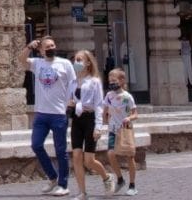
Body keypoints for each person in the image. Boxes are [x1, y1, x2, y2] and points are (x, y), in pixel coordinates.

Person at [19, 35, 75, 196]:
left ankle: (63, 185)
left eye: (52, 45)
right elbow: (21, 60)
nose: (51, 48)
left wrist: (71, 101)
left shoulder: (65, 64)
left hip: (58, 114)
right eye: (47, 46)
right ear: (41, 50)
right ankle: (52, 177)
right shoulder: (37, 63)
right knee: (36, 145)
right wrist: (29, 47)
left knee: (60, 150)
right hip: (41, 113)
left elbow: (73, 83)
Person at [68, 50, 113, 200]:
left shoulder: (94, 81)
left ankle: (106, 177)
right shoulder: (72, 82)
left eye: (80, 60)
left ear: (88, 63)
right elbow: (69, 100)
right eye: (75, 60)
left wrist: (98, 127)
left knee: (89, 160)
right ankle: (82, 192)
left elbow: (99, 105)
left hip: (90, 119)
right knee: (76, 156)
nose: (77, 63)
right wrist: (70, 104)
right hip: (77, 119)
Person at [102, 67, 138, 196]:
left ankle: (132, 184)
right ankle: (120, 179)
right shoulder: (109, 95)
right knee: (111, 154)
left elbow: (135, 114)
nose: (111, 82)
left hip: (125, 130)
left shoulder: (127, 97)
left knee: (129, 157)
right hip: (113, 129)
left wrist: (129, 118)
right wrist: (103, 123)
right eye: (109, 80)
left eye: (114, 80)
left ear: (122, 80)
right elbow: (105, 111)